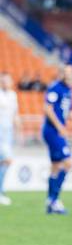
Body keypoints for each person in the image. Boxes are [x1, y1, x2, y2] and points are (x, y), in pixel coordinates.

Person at [42, 65, 72, 214]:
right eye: (67, 74)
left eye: (71, 74)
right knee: (68, 162)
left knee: (55, 166)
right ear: (62, 74)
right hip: (52, 131)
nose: (69, 76)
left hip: (57, 131)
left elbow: (68, 111)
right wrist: (60, 127)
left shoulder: (69, 90)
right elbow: (48, 108)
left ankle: (50, 202)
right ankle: (54, 200)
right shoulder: (55, 88)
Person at [0, 73, 19, 205]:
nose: (6, 82)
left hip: (9, 132)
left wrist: (19, 128)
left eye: (8, 80)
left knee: (4, 162)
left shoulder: (13, 95)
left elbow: (15, 114)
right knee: (7, 160)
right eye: (3, 80)